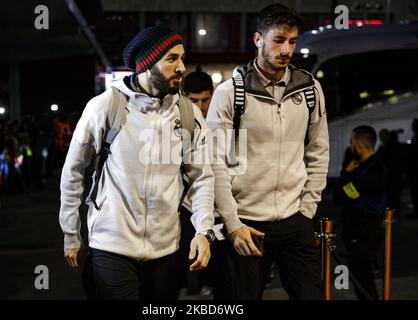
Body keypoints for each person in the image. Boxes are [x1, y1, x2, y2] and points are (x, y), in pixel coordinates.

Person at [59, 26, 215, 300]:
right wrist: (71, 233)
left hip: (166, 249)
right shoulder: (105, 107)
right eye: (171, 59)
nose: (181, 67)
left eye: (182, 58)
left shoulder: (188, 114)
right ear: (147, 64)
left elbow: (202, 177)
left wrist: (204, 230)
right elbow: (73, 172)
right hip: (112, 246)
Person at [207, 3, 329, 299]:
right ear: (258, 39)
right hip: (246, 223)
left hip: (295, 220)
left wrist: (307, 209)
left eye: (292, 41)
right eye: (278, 40)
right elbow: (214, 164)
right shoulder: (230, 93)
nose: (286, 49)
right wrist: (233, 224)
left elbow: (319, 150)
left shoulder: (309, 88)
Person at [334, 126, 387, 300]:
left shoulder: (371, 171)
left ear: (358, 145)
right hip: (361, 232)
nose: (350, 146)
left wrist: (345, 175)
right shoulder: (367, 167)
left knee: (364, 282)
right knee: (362, 280)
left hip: (364, 234)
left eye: (351, 142)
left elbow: (341, 195)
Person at [179, 71, 219, 296]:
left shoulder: (220, 122)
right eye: (194, 101)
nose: (201, 106)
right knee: (189, 259)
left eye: (205, 100)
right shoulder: (178, 123)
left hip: (214, 204)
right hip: (185, 206)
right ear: (184, 96)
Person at [406, 119, 418, 218]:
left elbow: (411, 155)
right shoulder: (414, 139)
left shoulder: (415, 139)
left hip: (414, 171)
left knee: (415, 192)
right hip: (414, 170)